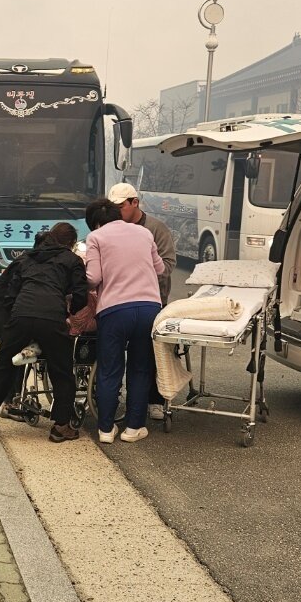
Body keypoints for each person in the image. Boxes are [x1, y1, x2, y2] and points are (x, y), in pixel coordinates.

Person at [0, 222, 87, 444]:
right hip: (52, 318)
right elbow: (80, 294)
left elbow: (10, 292)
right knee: (62, 370)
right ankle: (60, 427)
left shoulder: (26, 258)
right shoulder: (73, 261)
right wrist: (68, 312)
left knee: (2, 363)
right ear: (71, 244)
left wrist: (16, 316)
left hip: (21, 315)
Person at [85, 198, 164, 445]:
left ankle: (106, 429)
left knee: (110, 369)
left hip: (115, 309)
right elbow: (159, 269)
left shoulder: (96, 238)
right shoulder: (143, 232)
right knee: (141, 368)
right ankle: (134, 428)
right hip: (150, 307)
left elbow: (93, 277)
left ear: (96, 222)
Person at [107, 182, 177, 419]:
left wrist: (138, 268)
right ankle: (109, 398)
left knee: (150, 352)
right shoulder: (111, 228)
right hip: (118, 299)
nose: (117, 212)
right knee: (112, 354)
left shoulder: (156, 229)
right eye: (113, 207)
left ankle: (154, 399)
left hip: (152, 299)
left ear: (134, 203)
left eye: (121, 207)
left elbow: (167, 265)